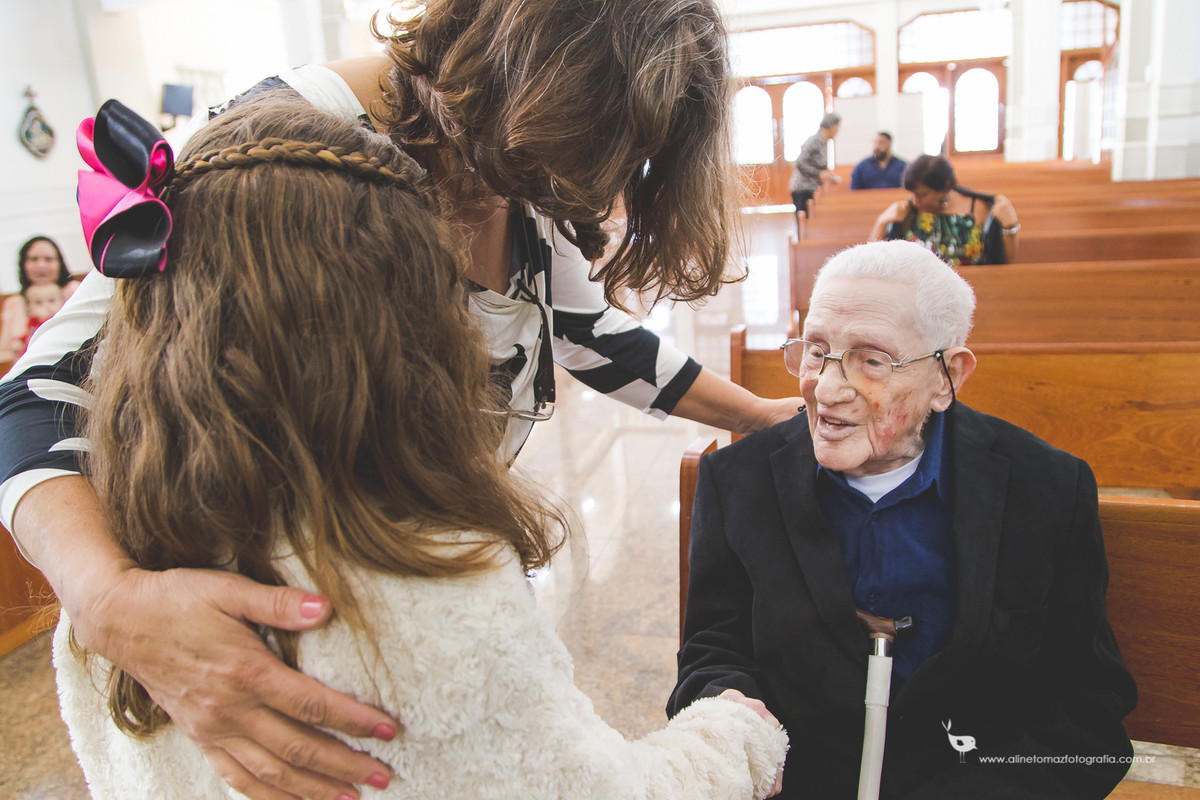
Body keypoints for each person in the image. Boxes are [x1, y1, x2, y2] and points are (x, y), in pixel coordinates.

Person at [0, 2, 801, 798]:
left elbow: (588, 329)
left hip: (414, 582)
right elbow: (34, 396)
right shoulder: (282, 157)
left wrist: (759, 415)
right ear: (521, 66)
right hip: (303, 596)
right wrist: (107, 597)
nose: (571, 201)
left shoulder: (521, 153)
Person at [669, 240, 1137, 798]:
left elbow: (1089, 707)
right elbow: (711, 651)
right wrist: (725, 704)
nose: (826, 388)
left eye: (872, 360)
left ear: (947, 378)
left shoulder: (1046, 489)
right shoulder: (738, 481)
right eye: (816, 351)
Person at [868, 155, 1020, 266]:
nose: (915, 201)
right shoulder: (909, 213)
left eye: (923, 195)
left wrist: (1010, 226)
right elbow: (874, 263)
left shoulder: (978, 207)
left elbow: (1004, 264)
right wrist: (882, 222)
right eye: (913, 194)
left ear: (945, 188)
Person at [0, 235, 71, 360]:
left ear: (60, 262)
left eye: (48, 259)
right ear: (23, 264)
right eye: (33, 259)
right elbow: (3, 354)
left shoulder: (73, 292)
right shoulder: (14, 303)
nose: (41, 265)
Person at [789, 112, 842, 216]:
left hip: (812, 188)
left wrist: (829, 175)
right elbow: (800, 162)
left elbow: (816, 165)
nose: (838, 130)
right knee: (805, 220)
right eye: (837, 126)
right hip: (803, 188)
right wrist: (819, 174)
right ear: (830, 126)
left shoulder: (823, 142)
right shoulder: (814, 141)